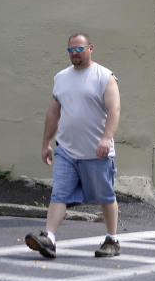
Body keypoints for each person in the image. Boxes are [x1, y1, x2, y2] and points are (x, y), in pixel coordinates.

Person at [25, 33, 121, 259]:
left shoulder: (104, 76)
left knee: (105, 195)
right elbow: (53, 113)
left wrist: (107, 138)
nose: (75, 54)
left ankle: (112, 239)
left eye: (80, 49)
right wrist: (46, 143)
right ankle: (49, 238)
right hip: (66, 150)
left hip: (96, 151)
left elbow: (114, 110)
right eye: (71, 50)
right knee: (59, 194)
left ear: (90, 48)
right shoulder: (61, 78)